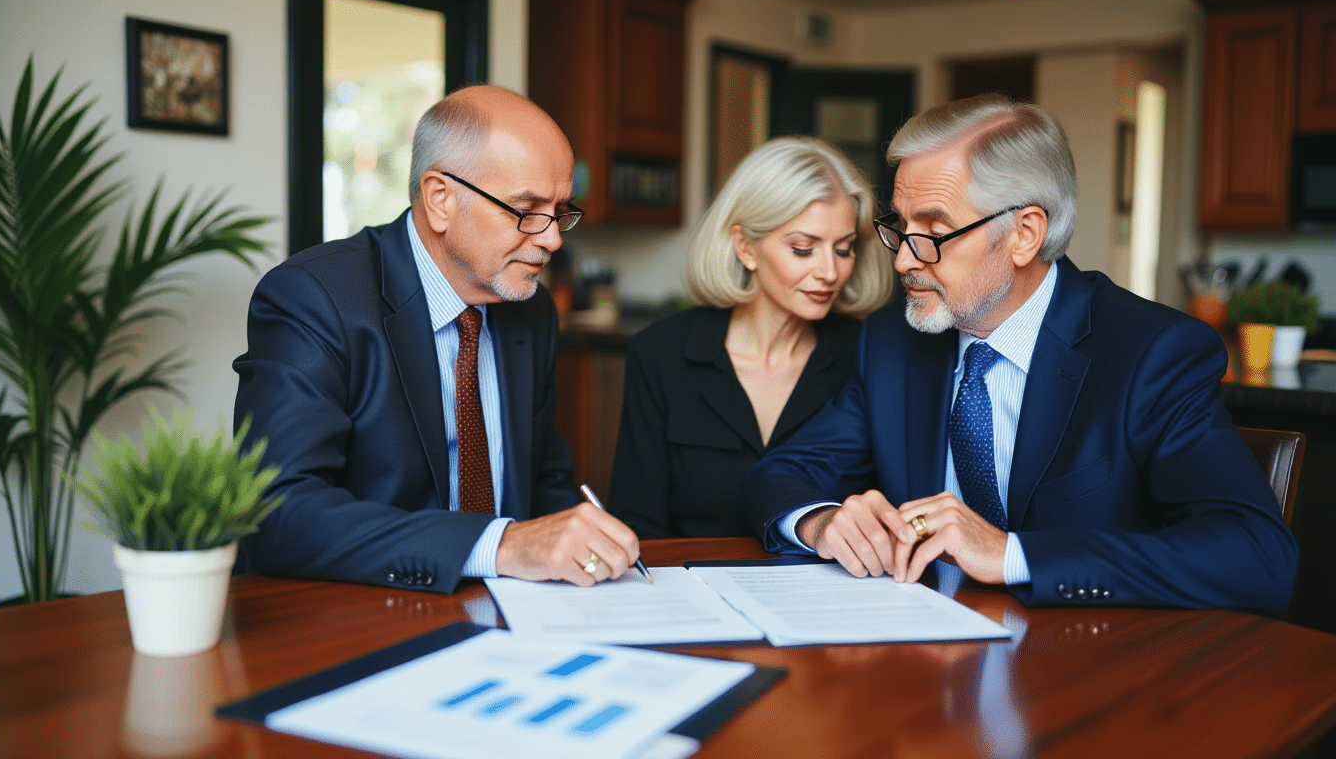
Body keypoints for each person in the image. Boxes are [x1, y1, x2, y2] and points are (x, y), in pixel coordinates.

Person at [741, 94, 1299, 610]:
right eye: (899, 227)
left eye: (933, 232)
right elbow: (781, 472)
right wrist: (820, 522)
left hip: (1096, 673)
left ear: (1025, 234)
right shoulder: (893, 342)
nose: (903, 261)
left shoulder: (1152, 353)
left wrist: (1010, 554)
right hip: (924, 666)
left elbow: (1258, 555)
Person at [233, 85, 640, 593]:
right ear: (440, 199)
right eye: (527, 209)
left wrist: (587, 544)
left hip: (510, 614)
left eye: (559, 210)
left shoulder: (530, 312)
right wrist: (502, 545)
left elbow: (543, 482)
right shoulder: (314, 298)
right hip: (355, 615)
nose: (554, 238)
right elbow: (278, 512)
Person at [609, 137, 894, 539]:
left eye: (844, 249)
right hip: (690, 591)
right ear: (745, 246)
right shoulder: (661, 353)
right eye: (803, 248)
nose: (830, 271)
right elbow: (637, 523)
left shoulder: (872, 356)